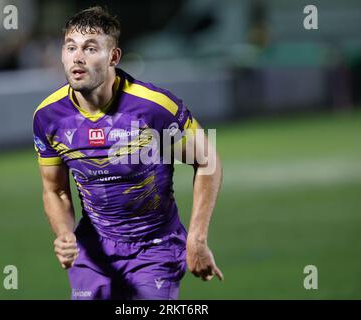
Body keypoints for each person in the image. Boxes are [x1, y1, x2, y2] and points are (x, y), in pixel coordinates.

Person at [33, 6, 223, 300]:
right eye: (70, 47)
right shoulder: (48, 117)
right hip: (93, 250)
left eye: (90, 48)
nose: (77, 57)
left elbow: (207, 161)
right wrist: (64, 235)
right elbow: (55, 190)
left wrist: (197, 238)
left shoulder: (154, 108)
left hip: (155, 247)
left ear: (113, 57)